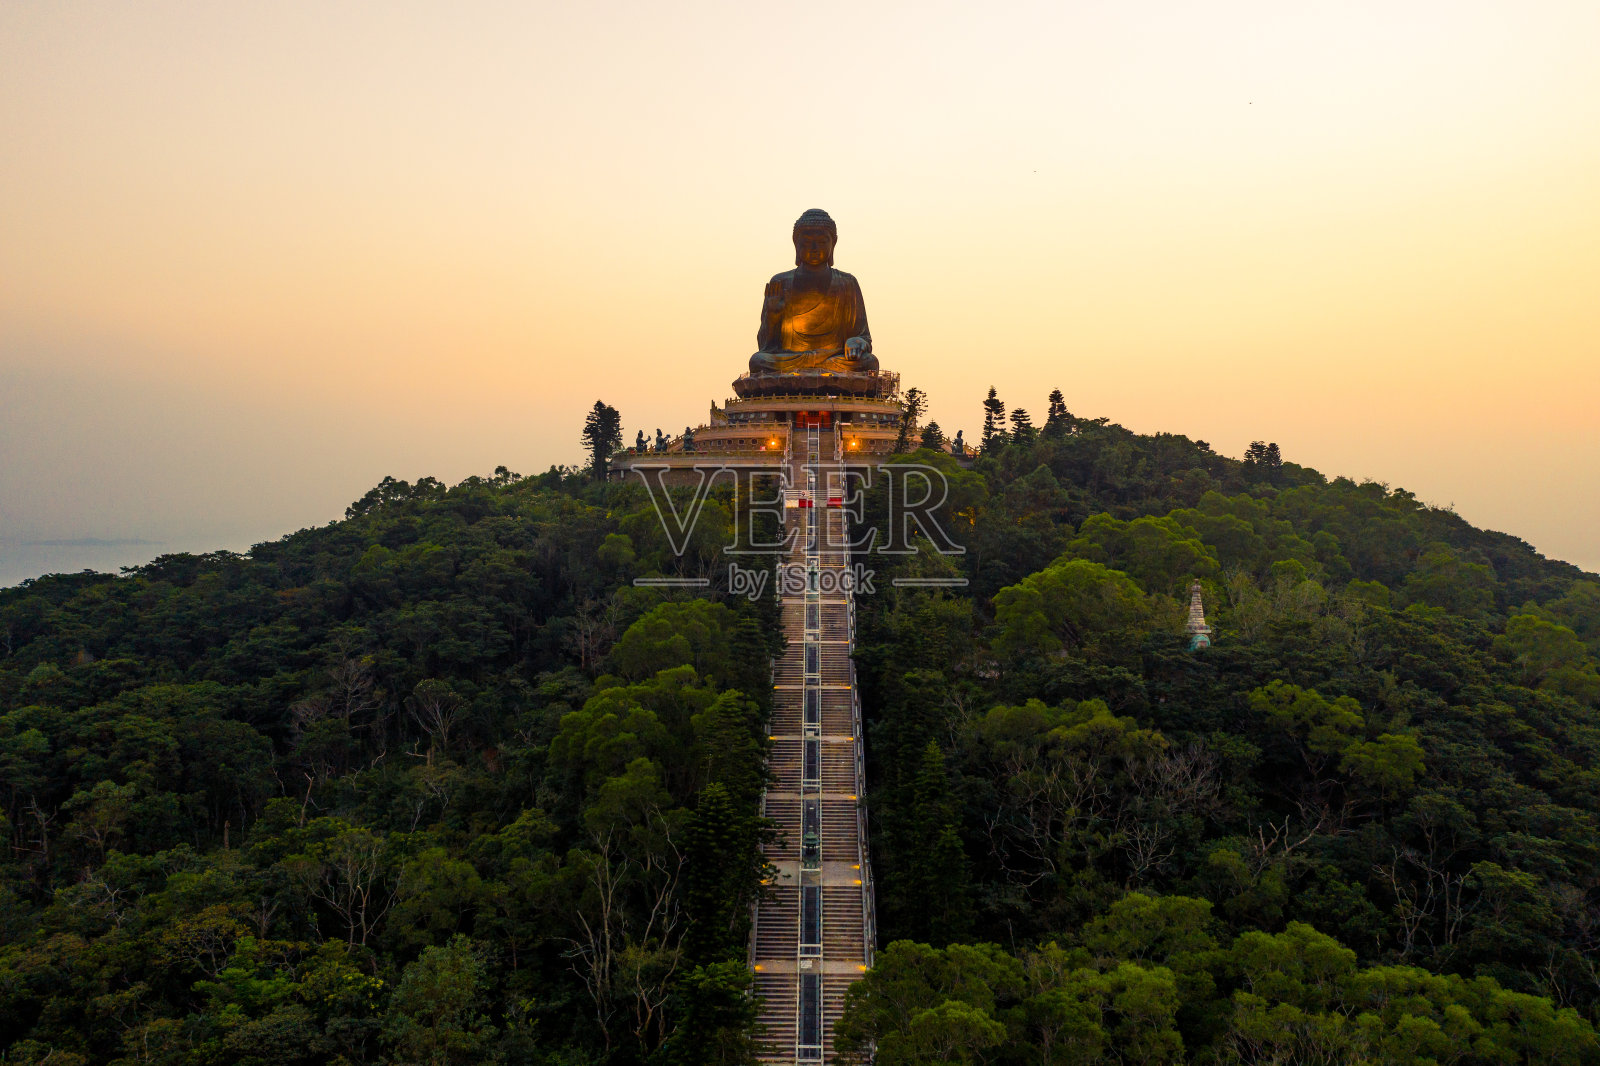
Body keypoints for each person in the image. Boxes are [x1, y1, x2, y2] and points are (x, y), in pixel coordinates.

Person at [748, 209, 877, 375]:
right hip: (791, 359)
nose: (814, 248)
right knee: (758, 361)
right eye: (807, 243)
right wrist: (772, 317)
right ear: (796, 244)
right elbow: (766, 346)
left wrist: (856, 341)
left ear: (834, 243)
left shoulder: (847, 283)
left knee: (869, 362)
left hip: (832, 359)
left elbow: (863, 336)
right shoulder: (781, 282)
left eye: (822, 242)